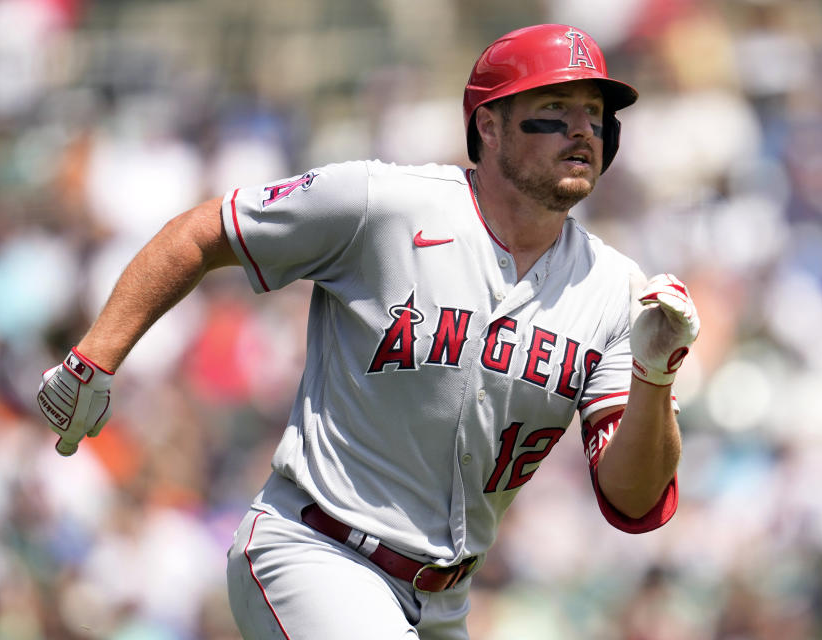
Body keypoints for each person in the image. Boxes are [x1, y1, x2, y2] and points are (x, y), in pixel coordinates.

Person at [36, 23, 700, 640]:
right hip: (314, 551)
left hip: (444, 602)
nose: (583, 131)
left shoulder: (617, 292)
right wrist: (95, 357)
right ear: (489, 126)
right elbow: (205, 232)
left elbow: (633, 501)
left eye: (596, 114)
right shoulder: (383, 205)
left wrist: (655, 374)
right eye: (557, 108)